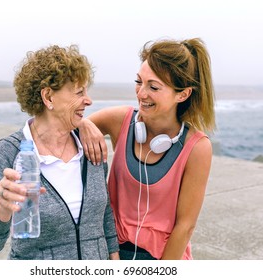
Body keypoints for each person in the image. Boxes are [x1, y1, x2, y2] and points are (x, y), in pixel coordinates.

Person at [0, 45, 119, 260]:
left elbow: (105, 214)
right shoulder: (10, 152)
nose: (89, 100)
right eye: (79, 92)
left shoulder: (90, 145)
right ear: (48, 97)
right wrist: (1, 210)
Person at [79, 37, 215, 260]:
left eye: (153, 87)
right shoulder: (119, 120)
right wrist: (83, 123)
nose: (141, 93)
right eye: (139, 81)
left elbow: (185, 227)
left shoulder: (197, 148)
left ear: (183, 94)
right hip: (110, 252)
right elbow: (61, 131)